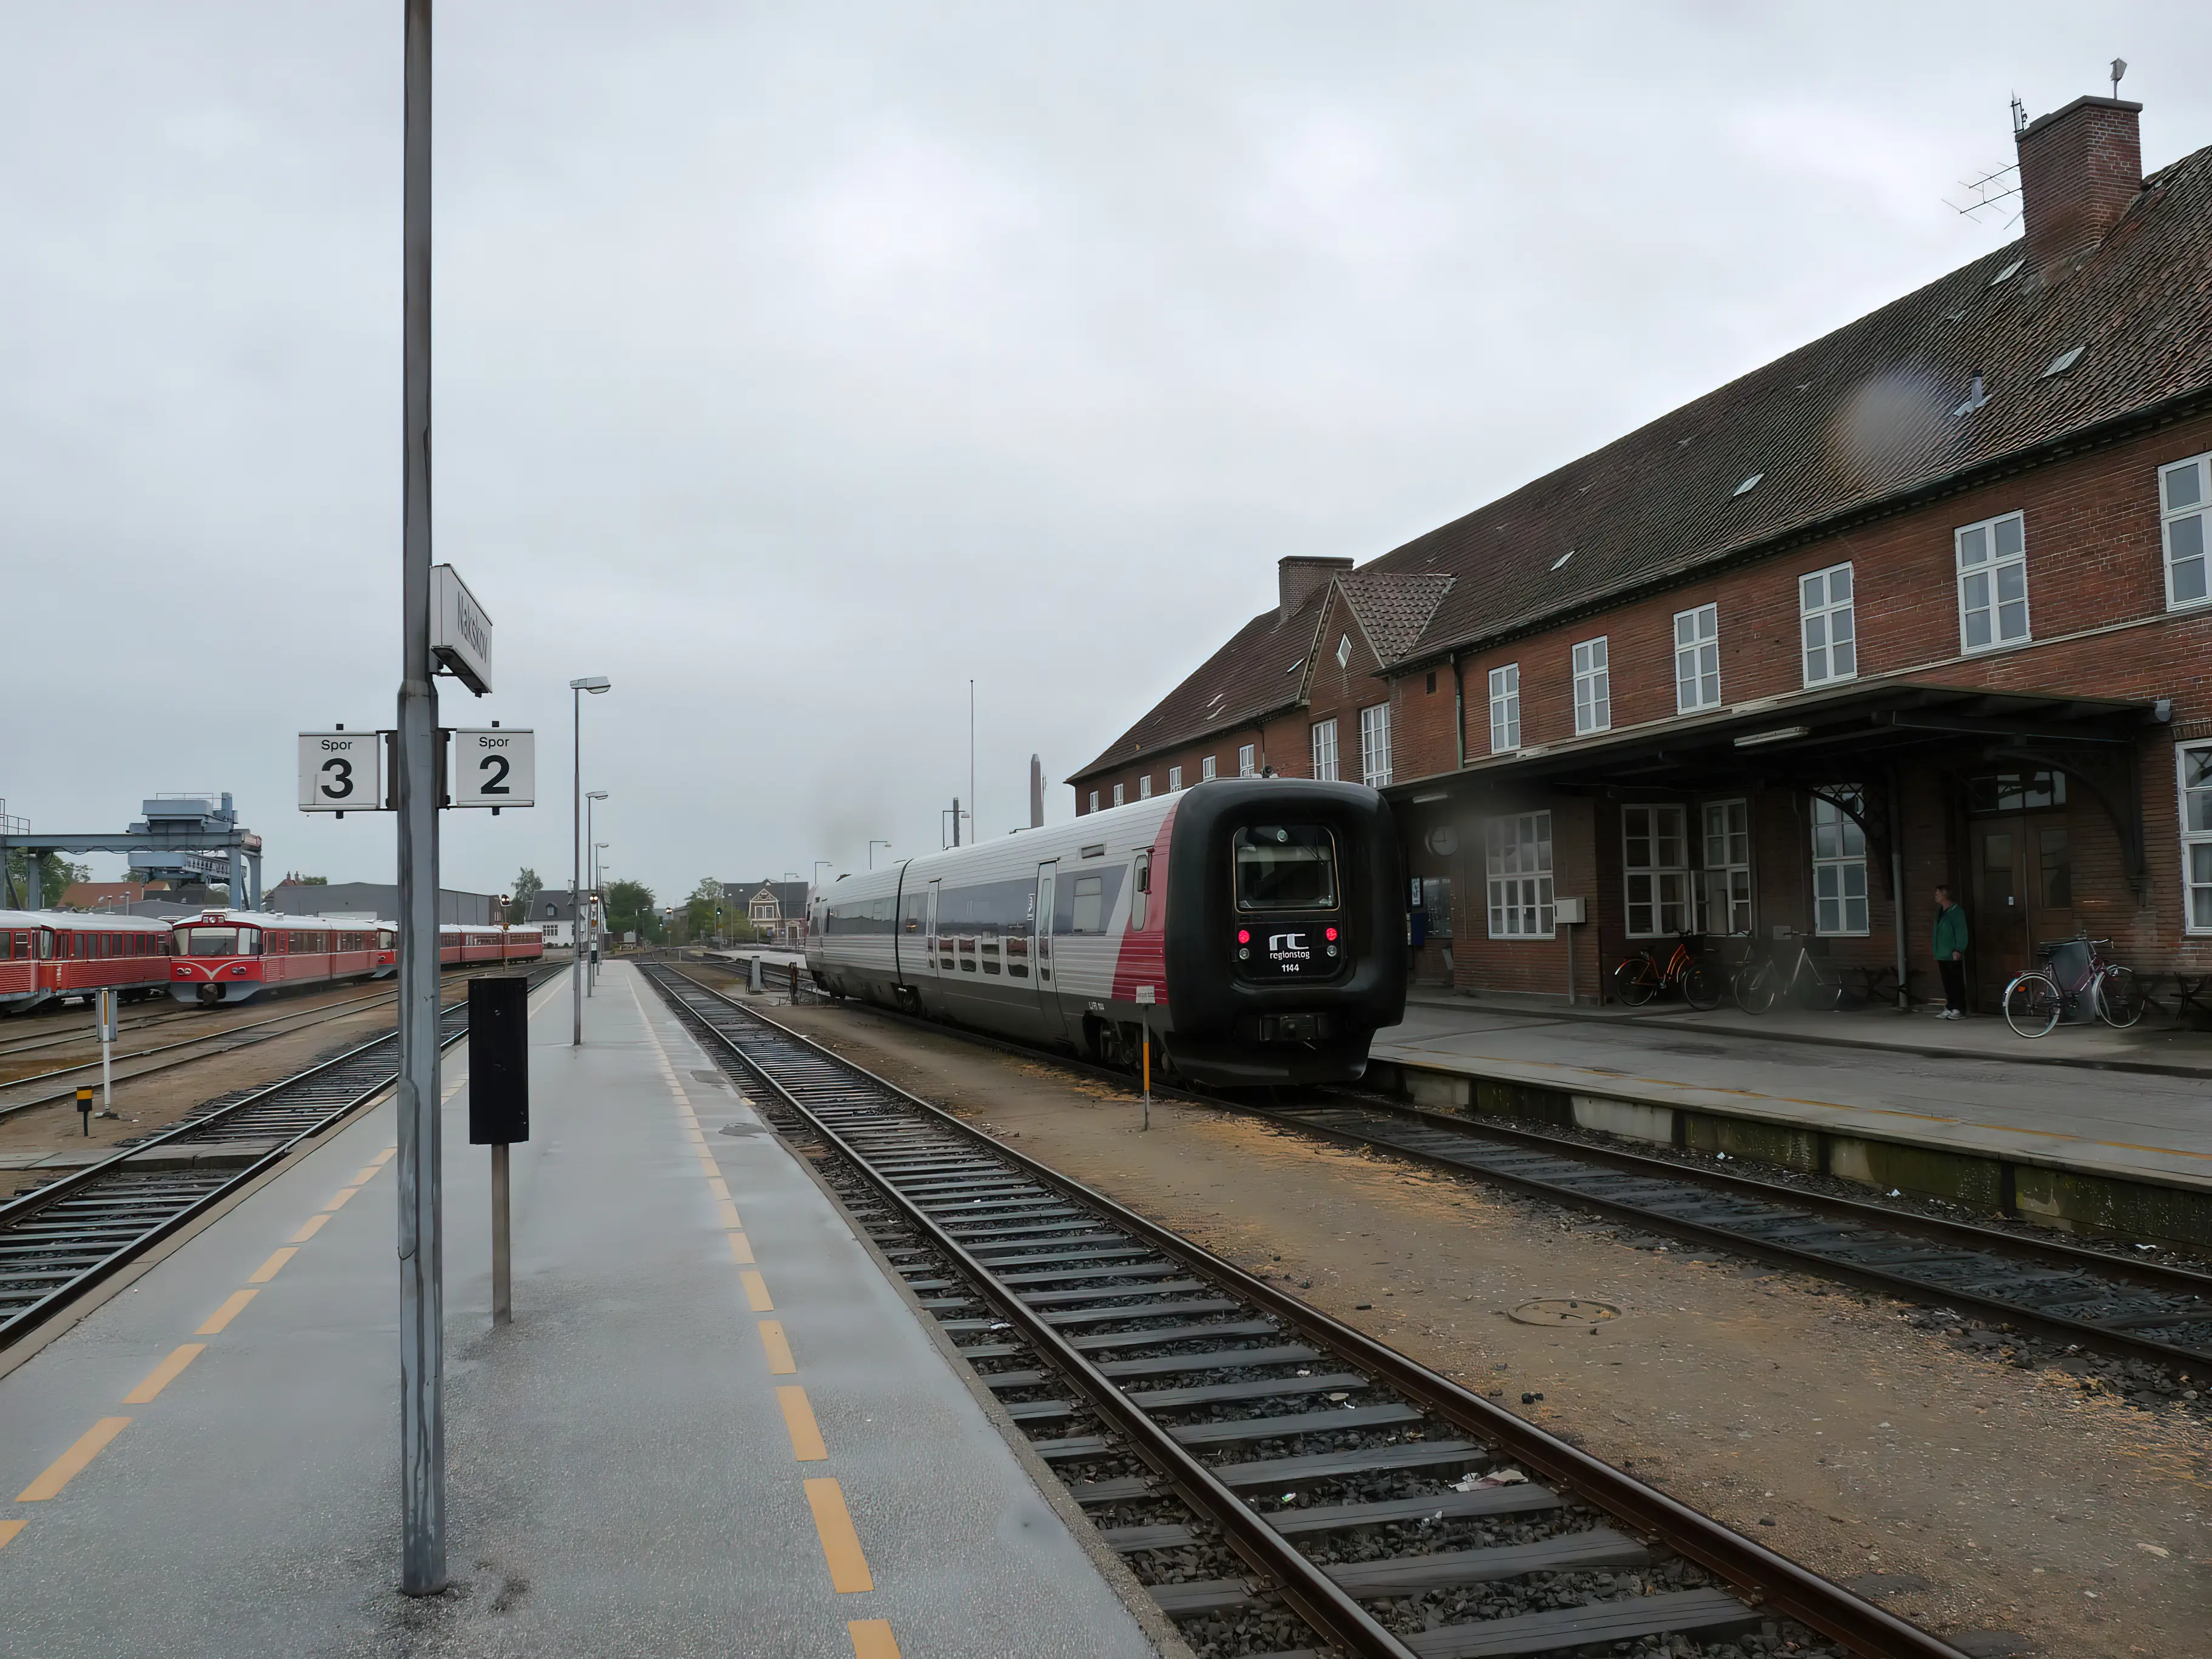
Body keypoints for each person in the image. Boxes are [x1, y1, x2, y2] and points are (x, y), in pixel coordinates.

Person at [1932, 883, 1969, 1019]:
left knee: (1956, 981)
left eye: (1938, 893)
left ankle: (1959, 1008)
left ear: (1945, 894)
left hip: (1952, 952)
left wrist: (1959, 949)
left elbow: (1961, 931)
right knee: (1947, 981)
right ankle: (1950, 1006)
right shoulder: (1939, 911)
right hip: (1941, 952)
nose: (1936, 895)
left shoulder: (1956, 911)